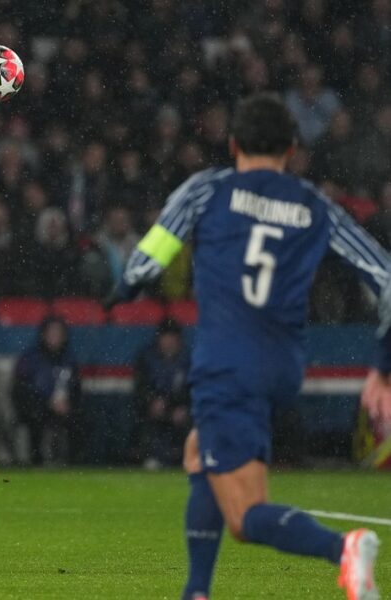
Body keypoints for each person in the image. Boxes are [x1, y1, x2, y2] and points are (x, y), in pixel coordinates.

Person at [113, 93, 389, 600]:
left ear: (234, 143)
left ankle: (344, 550)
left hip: (226, 364)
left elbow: (151, 255)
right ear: (291, 148)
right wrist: (384, 366)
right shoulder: (314, 204)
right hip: (282, 365)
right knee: (200, 451)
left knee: (244, 516)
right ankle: (196, 590)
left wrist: (126, 286)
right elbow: (385, 277)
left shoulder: (209, 188)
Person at [11, 316, 82, 465]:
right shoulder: (31, 359)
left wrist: (68, 403)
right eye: (51, 333)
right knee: (35, 418)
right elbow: (22, 389)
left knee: (82, 418)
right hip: (36, 407)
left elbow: (76, 388)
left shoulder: (69, 359)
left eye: (58, 333)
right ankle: (36, 460)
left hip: (63, 407)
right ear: (43, 334)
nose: (54, 337)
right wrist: (48, 402)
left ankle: (74, 462)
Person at [131, 318, 191, 469]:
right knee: (147, 421)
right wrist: (151, 400)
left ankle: (186, 458)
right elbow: (140, 387)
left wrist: (185, 407)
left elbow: (194, 388)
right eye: (165, 337)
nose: (169, 342)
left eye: (173, 338)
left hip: (181, 410)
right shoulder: (146, 358)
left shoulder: (189, 360)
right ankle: (153, 457)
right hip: (152, 410)